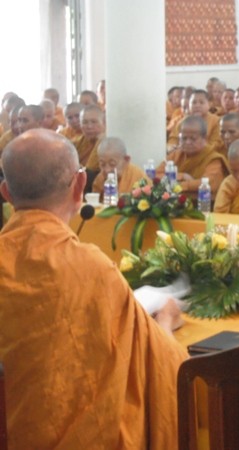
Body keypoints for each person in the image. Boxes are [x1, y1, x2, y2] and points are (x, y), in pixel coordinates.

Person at [0, 129, 186, 449]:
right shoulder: (92, 269)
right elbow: (163, 364)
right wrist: (167, 320)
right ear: (80, 185)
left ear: (7, 193)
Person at [157, 115, 229, 197]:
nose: (188, 142)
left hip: (201, 202)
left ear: (204, 138)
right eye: (184, 138)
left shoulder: (213, 158)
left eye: (193, 139)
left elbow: (209, 183)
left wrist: (178, 186)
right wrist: (182, 176)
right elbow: (156, 175)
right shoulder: (176, 155)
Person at [72, 104, 105, 172]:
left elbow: (90, 170)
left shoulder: (108, 143)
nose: (89, 126)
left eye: (94, 122)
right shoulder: (76, 143)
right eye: (85, 122)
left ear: (104, 123)